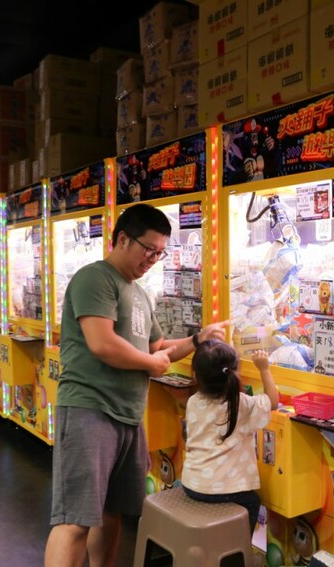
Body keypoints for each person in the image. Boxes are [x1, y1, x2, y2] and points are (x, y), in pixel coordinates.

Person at [44, 203, 229, 567]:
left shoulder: (139, 294)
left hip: (128, 416)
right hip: (89, 409)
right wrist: (151, 364)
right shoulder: (95, 279)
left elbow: (158, 347)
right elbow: (102, 343)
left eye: (160, 252)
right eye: (149, 249)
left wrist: (197, 340)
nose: (154, 259)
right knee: (75, 520)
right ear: (123, 238)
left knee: (113, 512)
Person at [181, 343, 279, 533]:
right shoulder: (241, 404)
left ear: (196, 376)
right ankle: (238, 549)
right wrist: (264, 368)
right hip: (226, 491)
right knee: (253, 502)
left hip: (191, 484)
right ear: (235, 373)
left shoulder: (193, 401)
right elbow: (272, 401)